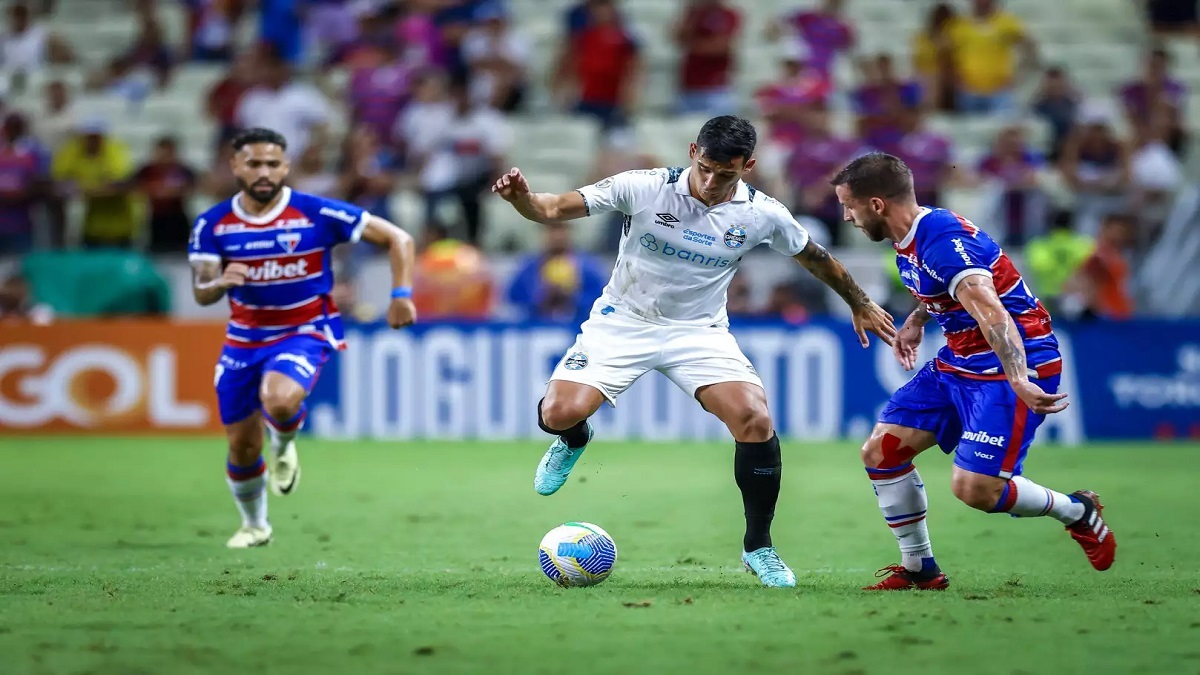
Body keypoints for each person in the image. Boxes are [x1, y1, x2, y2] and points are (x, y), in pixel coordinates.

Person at [491, 115, 897, 588]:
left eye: (725, 173)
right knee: (558, 413)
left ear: (748, 166)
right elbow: (555, 208)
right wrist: (522, 199)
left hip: (698, 332)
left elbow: (815, 257)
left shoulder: (761, 213)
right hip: (624, 321)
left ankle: (758, 548)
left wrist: (862, 302)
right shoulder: (643, 187)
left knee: (755, 420)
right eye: (705, 167)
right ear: (692, 152)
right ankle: (575, 439)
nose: (710, 181)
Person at [828, 152, 1116, 591]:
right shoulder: (912, 236)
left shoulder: (940, 240)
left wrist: (1019, 378)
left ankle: (1077, 510)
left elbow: (993, 312)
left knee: (976, 490)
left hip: (1013, 361)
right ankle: (920, 569)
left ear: (878, 204)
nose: (846, 216)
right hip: (960, 360)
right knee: (881, 453)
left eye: (850, 205)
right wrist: (916, 321)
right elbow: (943, 290)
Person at [187, 127, 417, 549]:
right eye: (253, 163)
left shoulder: (315, 212)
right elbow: (201, 292)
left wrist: (401, 294)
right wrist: (220, 281)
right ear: (235, 165)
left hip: (305, 330)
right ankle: (256, 525)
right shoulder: (213, 224)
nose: (264, 172)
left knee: (279, 399)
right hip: (244, 338)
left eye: (273, 164)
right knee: (240, 444)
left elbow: (398, 237)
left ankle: (285, 441)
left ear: (286, 167)